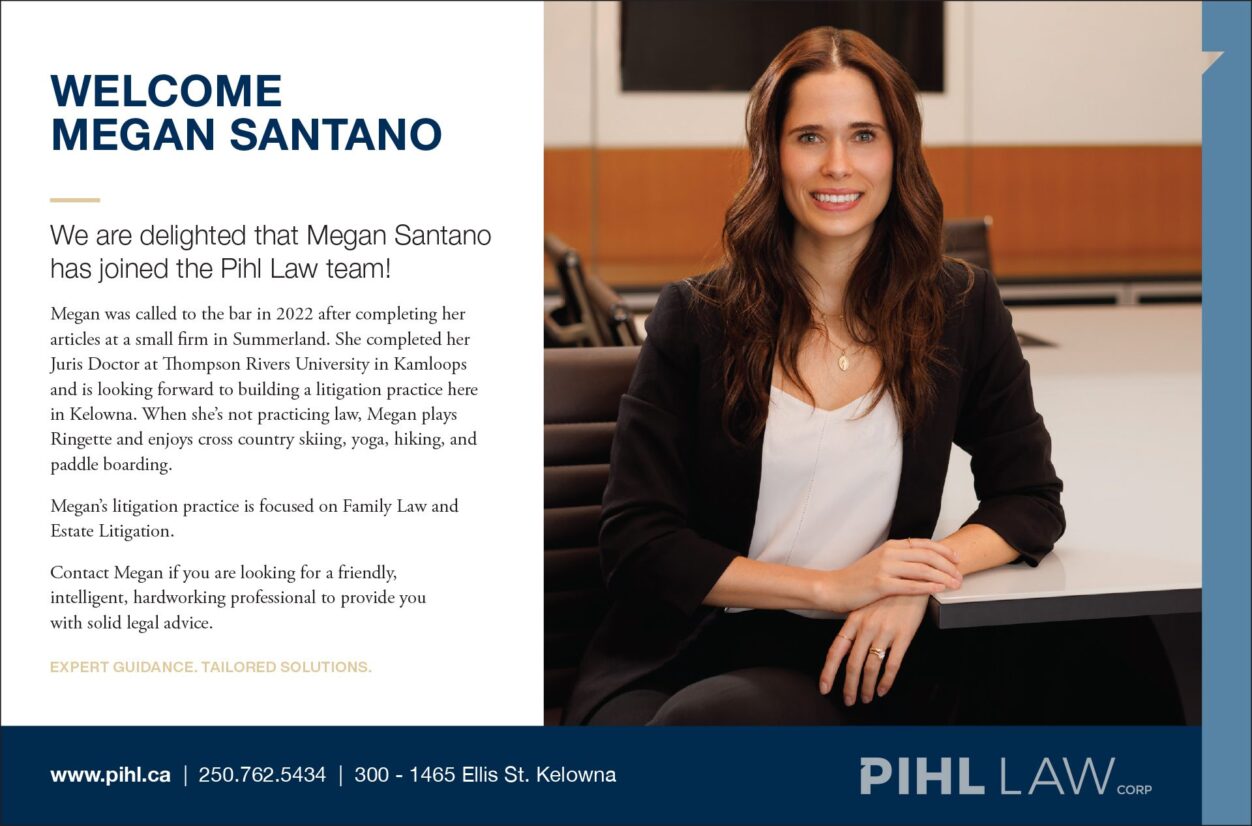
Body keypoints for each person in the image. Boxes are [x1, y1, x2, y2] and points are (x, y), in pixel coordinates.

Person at [564, 27, 1172, 726]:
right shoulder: (698, 318)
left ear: (897, 152)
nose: (838, 165)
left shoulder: (960, 308)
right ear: (771, 155)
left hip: (865, 650)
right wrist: (831, 587)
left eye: (863, 136)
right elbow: (638, 542)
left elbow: (1029, 500)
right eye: (809, 138)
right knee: (717, 724)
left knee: (1117, 649)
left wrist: (913, 579)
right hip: (696, 651)